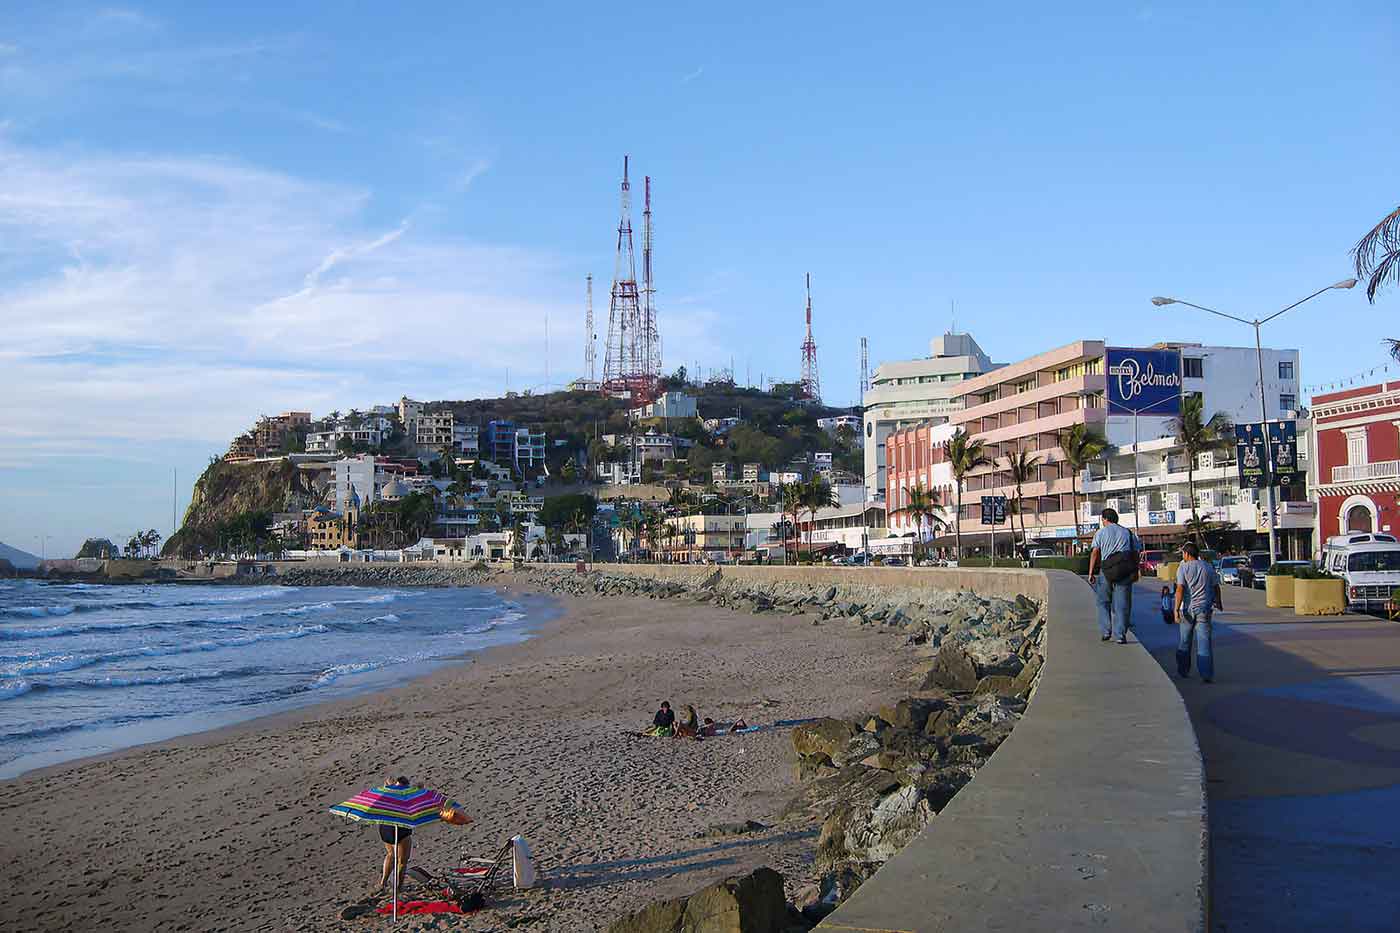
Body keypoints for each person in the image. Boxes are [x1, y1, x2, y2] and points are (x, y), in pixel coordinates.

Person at [1086, 508, 1141, 644]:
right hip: (1125, 571)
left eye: (1102, 519)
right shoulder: (1128, 533)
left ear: (1105, 519)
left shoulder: (1100, 533)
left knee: (1103, 601)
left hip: (1106, 571)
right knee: (1122, 604)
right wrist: (1136, 569)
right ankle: (1120, 635)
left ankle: (1106, 631)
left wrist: (1091, 572)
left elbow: (1095, 552)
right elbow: (1136, 553)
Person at [1175, 541, 1223, 682]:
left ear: (1187, 554)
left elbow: (1180, 589)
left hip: (1187, 610)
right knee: (1204, 641)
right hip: (1204, 609)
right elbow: (1216, 586)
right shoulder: (1207, 567)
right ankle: (1206, 674)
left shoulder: (1183, 568)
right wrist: (1219, 602)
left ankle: (1183, 670)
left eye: (1183, 553)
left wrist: (1176, 609)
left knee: (1185, 641)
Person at [376, 776, 415, 896]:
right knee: (402, 860)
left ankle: (383, 882)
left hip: (385, 827)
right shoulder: (407, 797)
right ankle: (398, 887)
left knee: (390, 854)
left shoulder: (385, 795)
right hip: (400, 828)